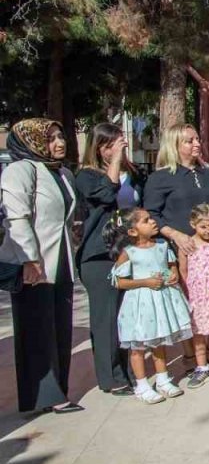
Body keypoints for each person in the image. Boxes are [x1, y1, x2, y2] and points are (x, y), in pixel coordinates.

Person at [0, 118, 80, 413]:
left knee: (59, 328)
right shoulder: (20, 170)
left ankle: (59, 389)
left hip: (61, 262)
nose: (60, 143)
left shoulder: (61, 173)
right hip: (34, 263)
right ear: (31, 141)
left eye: (61, 137)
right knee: (36, 330)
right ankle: (44, 396)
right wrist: (30, 259)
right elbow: (16, 217)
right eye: (51, 139)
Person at [106, 208, 194, 404]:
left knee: (158, 341)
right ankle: (142, 384)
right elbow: (119, 281)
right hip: (140, 304)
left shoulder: (162, 245)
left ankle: (163, 379)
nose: (153, 222)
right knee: (138, 346)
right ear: (132, 231)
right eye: (146, 220)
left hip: (161, 301)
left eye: (151, 218)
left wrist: (174, 274)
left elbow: (171, 265)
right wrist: (144, 282)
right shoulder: (129, 253)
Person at [74, 122, 134, 396]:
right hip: (99, 255)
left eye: (119, 143)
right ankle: (111, 377)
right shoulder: (86, 175)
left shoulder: (127, 173)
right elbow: (106, 193)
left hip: (126, 251)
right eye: (111, 145)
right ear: (99, 148)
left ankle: (127, 368)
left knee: (125, 317)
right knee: (106, 318)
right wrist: (116, 163)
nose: (117, 149)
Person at [144, 123, 209, 257]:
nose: (197, 144)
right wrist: (175, 235)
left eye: (197, 139)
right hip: (183, 251)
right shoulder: (160, 177)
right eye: (189, 141)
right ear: (174, 145)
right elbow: (152, 214)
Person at [179, 204, 209, 389]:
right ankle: (202, 365)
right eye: (203, 226)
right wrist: (187, 290)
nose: (207, 231)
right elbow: (183, 268)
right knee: (198, 331)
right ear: (193, 224)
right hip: (197, 295)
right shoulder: (188, 243)